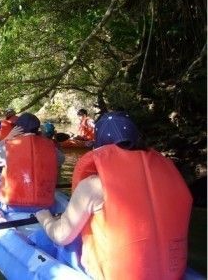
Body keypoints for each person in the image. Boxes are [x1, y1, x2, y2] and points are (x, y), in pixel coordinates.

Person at [35, 111, 192, 280]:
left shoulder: (93, 185)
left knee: (48, 239)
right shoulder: (170, 176)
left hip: (114, 275)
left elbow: (61, 236)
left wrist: (44, 217)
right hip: (172, 274)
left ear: (99, 145)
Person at [0, 112, 58, 210]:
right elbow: (61, 159)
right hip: (44, 204)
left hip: (14, 204)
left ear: (18, 129)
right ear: (37, 129)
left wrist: (7, 138)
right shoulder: (50, 146)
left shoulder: (9, 145)